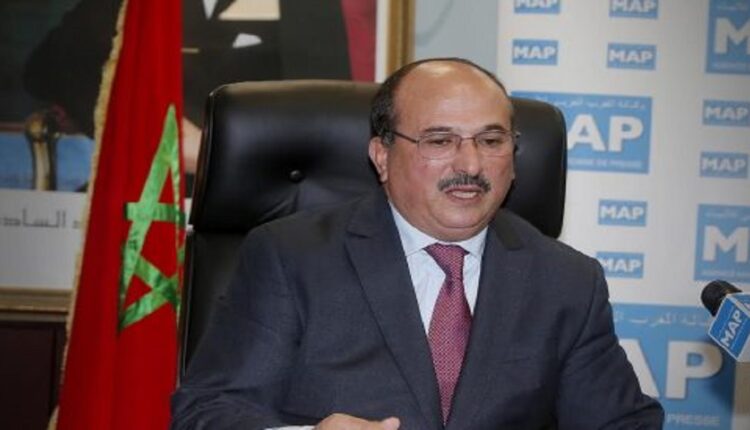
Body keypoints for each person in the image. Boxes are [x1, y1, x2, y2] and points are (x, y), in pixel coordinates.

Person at [171, 58, 664, 429]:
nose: (470, 164)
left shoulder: (567, 282)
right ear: (382, 156)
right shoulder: (291, 256)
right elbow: (208, 410)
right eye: (440, 141)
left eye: (491, 141)